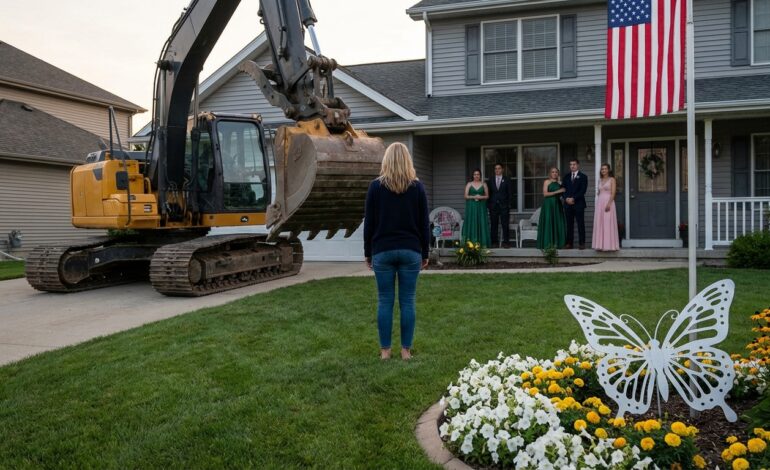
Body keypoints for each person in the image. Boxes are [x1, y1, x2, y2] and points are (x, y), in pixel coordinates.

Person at [364, 142, 429, 361]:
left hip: (382, 251)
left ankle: (385, 351)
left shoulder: (375, 187)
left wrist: (368, 252)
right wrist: (425, 253)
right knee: (407, 301)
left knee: (385, 301)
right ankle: (405, 351)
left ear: (387, 160)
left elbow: (369, 224)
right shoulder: (417, 187)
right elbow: (424, 224)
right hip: (411, 250)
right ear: (407, 160)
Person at [537, 167, 567, 250]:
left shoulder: (560, 183)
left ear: (558, 173)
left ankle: (558, 243)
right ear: (550, 173)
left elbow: (563, 193)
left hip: (557, 205)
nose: (554, 173)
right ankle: (547, 244)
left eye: (556, 172)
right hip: (548, 205)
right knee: (548, 222)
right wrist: (558, 191)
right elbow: (545, 194)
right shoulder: (547, 181)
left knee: (558, 222)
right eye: (553, 172)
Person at [592, 163, 620, 251]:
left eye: (605, 169)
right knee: (600, 223)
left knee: (608, 223)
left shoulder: (612, 179)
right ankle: (600, 245)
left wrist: (609, 203)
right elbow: (599, 192)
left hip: (608, 202)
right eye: (602, 169)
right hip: (600, 203)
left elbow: (613, 193)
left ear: (608, 170)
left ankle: (609, 246)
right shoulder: (599, 180)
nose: (603, 170)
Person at [562, 159, 588, 249]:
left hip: (579, 204)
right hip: (567, 204)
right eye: (571, 164)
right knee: (569, 224)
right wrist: (566, 198)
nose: (572, 166)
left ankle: (582, 243)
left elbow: (583, 190)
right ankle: (569, 243)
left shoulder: (583, 177)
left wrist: (573, 198)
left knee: (580, 223)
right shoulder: (566, 177)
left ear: (578, 165)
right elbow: (563, 189)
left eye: (574, 164)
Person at [461, 169, 491, 247]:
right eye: (475, 174)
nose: (476, 176)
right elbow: (465, 196)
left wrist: (480, 197)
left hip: (481, 206)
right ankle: (470, 243)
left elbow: (487, 196)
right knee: (472, 221)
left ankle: (482, 243)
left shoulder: (484, 184)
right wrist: (474, 196)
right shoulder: (469, 184)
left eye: (478, 174)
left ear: (480, 175)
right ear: (473, 175)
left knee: (481, 221)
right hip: (471, 206)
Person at [487, 163, 512, 248]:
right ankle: (494, 242)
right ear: (494, 170)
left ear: (502, 170)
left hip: (504, 206)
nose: (497, 170)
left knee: (505, 224)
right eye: (496, 168)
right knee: (494, 224)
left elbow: (510, 193)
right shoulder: (491, 179)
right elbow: (488, 193)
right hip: (493, 206)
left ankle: (506, 242)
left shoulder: (507, 179)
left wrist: (509, 204)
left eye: (499, 168)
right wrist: (489, 205)